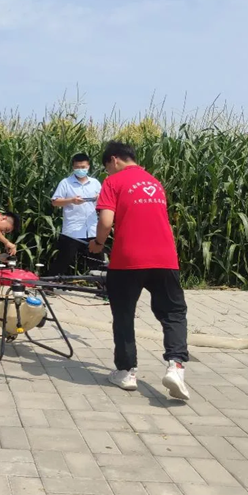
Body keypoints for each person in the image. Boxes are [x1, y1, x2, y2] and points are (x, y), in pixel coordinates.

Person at [89, 141, 190, 400]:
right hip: (165, 258)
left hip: (128, 259)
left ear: (114, 160)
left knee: (124, 314)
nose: (107, 172)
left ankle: (127, 372)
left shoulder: (113, 182)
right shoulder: (154, 182)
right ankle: (176, 366)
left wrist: (98, 243)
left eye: (107, 167)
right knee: (173, 313)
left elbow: (106, 221)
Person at [48, 153, 103, 276]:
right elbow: (55, 202)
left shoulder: (95, 183)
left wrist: (99, 198)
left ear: (88, 166)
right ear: (73, 167)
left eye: (83, 167)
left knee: (97, 262)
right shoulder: (66, 183)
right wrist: (72, 200)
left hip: (92, 229)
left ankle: (100, 285)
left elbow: (103, 201)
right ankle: (50, 282)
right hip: (73, 230)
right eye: (77, 167)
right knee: (63, 260)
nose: (80, 170)